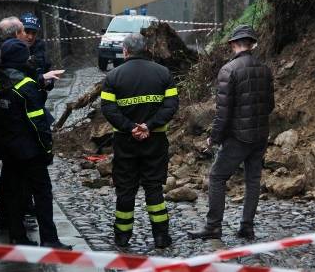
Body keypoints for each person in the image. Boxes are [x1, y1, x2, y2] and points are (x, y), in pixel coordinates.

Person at [0, 17, 71, 249]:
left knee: (14, 193)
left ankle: (18, 236)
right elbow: (38, 123)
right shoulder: (25, 87)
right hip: (29, 150)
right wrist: (48, 149)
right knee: (42, 193)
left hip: (7, 146)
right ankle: (50, 239)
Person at [188, 25, 275, 241]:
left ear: (233, 44)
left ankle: (213, 227)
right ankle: (247, 227)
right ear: (252, 44)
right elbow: (270, 105)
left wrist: (214, 137)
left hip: (238, 137)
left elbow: (223, 112)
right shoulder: (265, 69)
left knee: (217, 177)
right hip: (260, 135)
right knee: (253, 180)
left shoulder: (229, 70)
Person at [100, 33, 179, 249]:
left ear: (125, 51)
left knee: (125, 189)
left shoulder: (113, 76)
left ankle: (122, 237)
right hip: (155, 141)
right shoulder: (163, 73)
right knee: (154, 189)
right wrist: (149, 126)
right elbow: (171, 105)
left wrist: (130, 127)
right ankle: (161, 237)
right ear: (146, 49)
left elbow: (108, 108)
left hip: (125, 143)